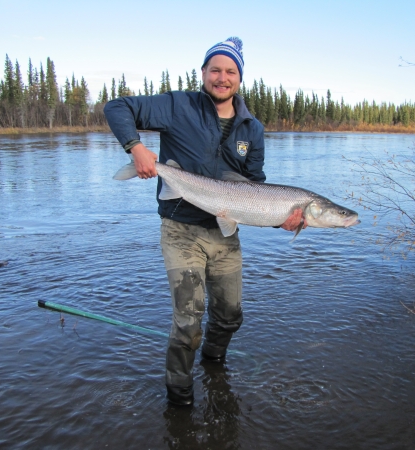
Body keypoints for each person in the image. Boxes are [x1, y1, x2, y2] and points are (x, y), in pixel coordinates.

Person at [104, 37, 303, 406]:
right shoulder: (178, 106)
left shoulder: (252, 129)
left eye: (230, 71)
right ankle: (179, 396)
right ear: (204, 73)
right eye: (216, 70)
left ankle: (214, 362)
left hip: (225, 235)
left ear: (239, 78)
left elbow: (255, 190)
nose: (222, 78)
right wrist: (137, 147)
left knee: (229, 315)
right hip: (182, 232)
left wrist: (282, 221)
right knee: (189, 319)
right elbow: (117, 107)